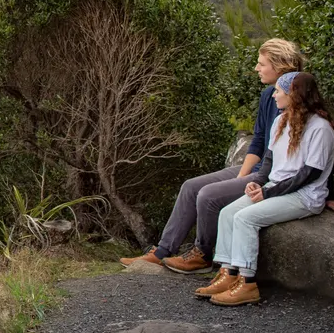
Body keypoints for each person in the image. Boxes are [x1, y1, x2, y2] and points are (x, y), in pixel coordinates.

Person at [120, 38, 305, 272]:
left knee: (208, 195)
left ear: (279, 67)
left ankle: (203, 255)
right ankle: (162, 251)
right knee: (190, 187)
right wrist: (242, 175)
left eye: (261, 64)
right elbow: (258, 141)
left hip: (274, 176)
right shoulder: (268, 95)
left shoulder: (298, 103)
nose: (256, 69)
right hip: (258, 170)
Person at [196, 70, 334, 306]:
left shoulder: (320, 129)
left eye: (279, 92)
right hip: (276, 188)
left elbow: (309, 175)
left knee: (244, 218)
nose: (274, 96)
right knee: (228, 213)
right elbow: (269, 162)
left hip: (304, 195)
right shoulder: (280, 121)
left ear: (294, 94)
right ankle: (228, 274)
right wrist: (258, 182)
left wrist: (268, 192)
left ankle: (247, 282)